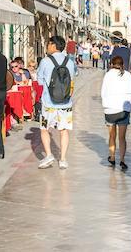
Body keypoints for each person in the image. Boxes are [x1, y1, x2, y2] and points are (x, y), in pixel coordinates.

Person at [36, 35, 78, 169]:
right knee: (64, 130)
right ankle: (63, 159)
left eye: (48, 44)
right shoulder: (70, 62)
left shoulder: (45, 61)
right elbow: (72, 80)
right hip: (65, 104)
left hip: (48, 104)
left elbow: (39, 81)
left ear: (53, 45)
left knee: (44, 128)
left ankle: (48, 155)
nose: (47, 47)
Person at [101, 54, 131, 171]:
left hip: (110, 110)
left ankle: (112, 157)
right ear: (123, 65)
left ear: (111, 64)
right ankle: (122, 160)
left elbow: (103, 93)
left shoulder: (107, 75)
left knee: (112, 135)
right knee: (122, 137)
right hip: (123, 110)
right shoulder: (127, 75)